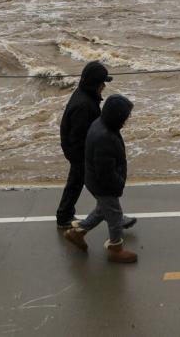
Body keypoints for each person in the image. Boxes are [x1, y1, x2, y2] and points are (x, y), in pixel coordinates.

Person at [56, 61, 137, 231]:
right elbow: (78, 137)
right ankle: (115, 219)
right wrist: (87, 158)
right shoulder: (84, 106)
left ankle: (64, 215)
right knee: (102, 190)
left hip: (78, 150)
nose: (104, 87)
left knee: (77, 183)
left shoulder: (85, 96)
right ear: (95, 84)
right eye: (102, 83)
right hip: (80, 152)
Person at [64, 94, 138, 263]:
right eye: (126, 117)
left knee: (102, 209)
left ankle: (78, 232)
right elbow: (105, 172)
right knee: (115, 215)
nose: (127, 120)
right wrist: (118, 185)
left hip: (94, 181)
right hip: (104, 185)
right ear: (117, 118)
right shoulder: (105, 137)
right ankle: (115, 248)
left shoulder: (100, 124)